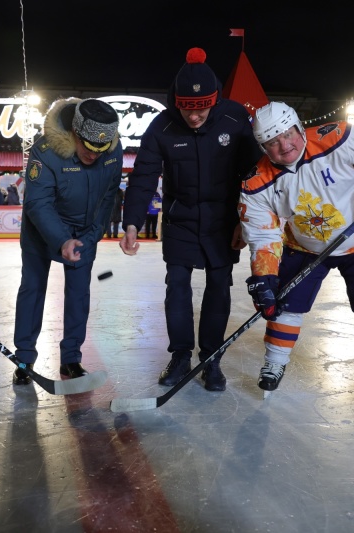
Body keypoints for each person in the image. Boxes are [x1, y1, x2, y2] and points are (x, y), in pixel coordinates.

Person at [238, 101, 354, 410]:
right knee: (283, 306)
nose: (284, 145)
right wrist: (264, 277)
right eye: (272, 142)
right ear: (263, 147)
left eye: (287, 134)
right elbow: (263, 236)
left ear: (299, 127)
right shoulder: (256, 182)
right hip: (304, 248)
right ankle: (274, 362)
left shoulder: (337, 137)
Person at [120, 47, 262, 392]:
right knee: (177, 285)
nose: (194, 117)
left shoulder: (235, 119)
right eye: (187, 108)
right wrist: (132, 222)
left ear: (214, 101)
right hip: (180, 219)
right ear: (176, 102)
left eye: (202, 109)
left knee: (219, 286)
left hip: (223, 221)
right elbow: (143, 176)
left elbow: (253, 175)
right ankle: (181, 355)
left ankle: (211, 358)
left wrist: (244, 221)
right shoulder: (162, 126)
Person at [12, 98, 122, 385]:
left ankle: (71, 359)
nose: (93, 155)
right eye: (88, 146)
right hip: (41, 232)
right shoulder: (45, 152)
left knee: (78, 294)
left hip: (84, 232)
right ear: (75, 132)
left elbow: (108, 197)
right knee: (32, 289)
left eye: (100, 149)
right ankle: (24, 359)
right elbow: (38, 204)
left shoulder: (112, 151)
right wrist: (62, 240)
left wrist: (93, 234)